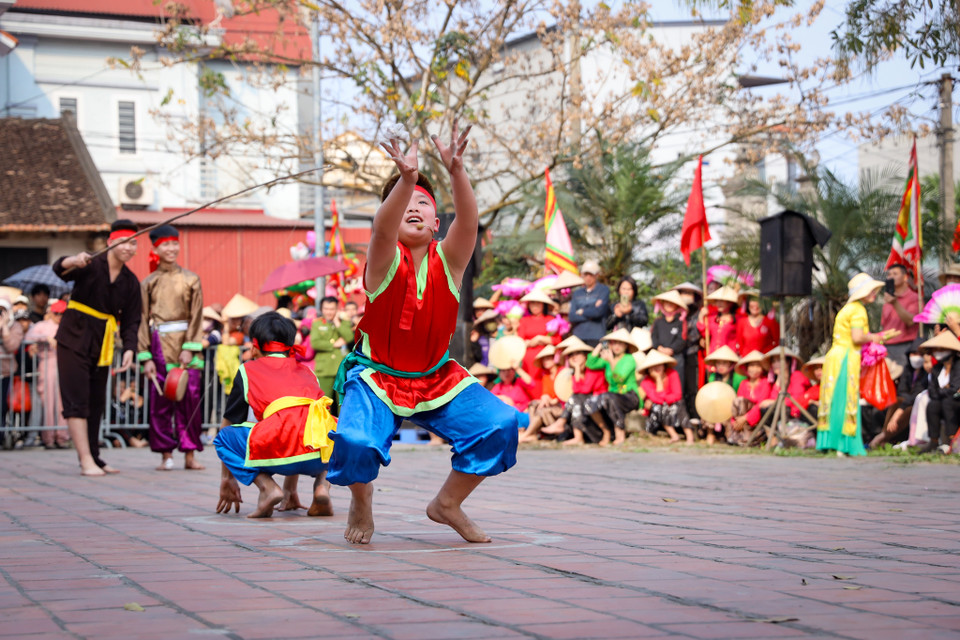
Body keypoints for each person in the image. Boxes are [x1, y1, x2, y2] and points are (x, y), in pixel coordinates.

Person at [327, 122, 519, 545]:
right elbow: (381, 229)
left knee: (500, 424)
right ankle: (361, 496)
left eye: (423, 203)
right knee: (355, 441)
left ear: (436, 222)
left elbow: (468, 221)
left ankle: (447, 504)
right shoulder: (383, 260)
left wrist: (457, 172)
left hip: (436, 377)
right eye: (404, 204)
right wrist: (407, 178)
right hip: (377, 376)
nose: (413, 207)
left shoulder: (449, 261)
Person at [214, 312, 336, 518]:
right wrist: (291, 489)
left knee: (223, 438)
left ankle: (268, 488)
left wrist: (228, 478)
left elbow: (230, 422)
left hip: (277, 450)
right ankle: (322, 486)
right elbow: (300, 421)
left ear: (255, 346)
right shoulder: (307, 371)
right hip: (321, 457)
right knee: (326, 429)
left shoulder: (247, 370)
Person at [53, 219, 142, 476]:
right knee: (77, 399)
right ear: (110, 242)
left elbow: (132, 320)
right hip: (73, 337)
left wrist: (129, 348)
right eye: (123, 242)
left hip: (102, 343)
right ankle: (85, 460)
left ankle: (94, 456)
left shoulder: (131, 281)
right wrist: (74, 260)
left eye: (133, 243)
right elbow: (59, 269)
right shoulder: (90, 263)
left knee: (96, 401)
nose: (128, 247)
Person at [137, 225, 206, 472]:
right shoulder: (148, 282)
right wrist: (145, 357)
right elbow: (142, 319)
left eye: (174, 243)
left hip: (187, 345)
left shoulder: (191, 279)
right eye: (165, 244)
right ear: (155, 249)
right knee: (160, 404)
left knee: (190, 402)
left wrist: (190, 347)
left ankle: (190, 454)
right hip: (159, 346)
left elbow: (197, 316)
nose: (171, 248)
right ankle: (166, 455)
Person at [817, 273, 894, 457]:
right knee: (846, 399)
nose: (874, 293)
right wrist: (876, 337)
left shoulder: (847, 309)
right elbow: (857, 337)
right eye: (871, 290)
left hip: (835, 357)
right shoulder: (858, 310)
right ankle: (844, 444)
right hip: (846, 358)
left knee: (833, 398)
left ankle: (830, 441)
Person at [546, 341, 608, 445]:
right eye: (571, 355)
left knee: (577, 398)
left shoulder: (593, 369)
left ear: (585, 356)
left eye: (578, 353)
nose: (574, 357)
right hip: (586, 404)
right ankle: (576, 436)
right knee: (576, 398)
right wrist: (577, 369)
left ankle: (563, 424)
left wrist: (578, 368)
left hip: (600, 401)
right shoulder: (576, 373)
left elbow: (585, 390)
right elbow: (576, 389)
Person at [25, 300, 68, 448]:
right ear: (51, 313)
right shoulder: (42, 326)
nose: (59, 316)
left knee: (63, 403)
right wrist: (45, 338)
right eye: (57, 313)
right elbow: (28, 337)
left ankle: (62, 436)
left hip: (64, 366)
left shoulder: (68, 326)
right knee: (48, 403)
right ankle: (48, 437)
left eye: (62, 314)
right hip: (47, 365)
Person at [586, 328, 640, 446]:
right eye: (614, 343)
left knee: (609, 398)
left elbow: (619, 378)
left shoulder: (629, 359)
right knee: (590, 402)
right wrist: (601, 345)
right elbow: (590, 363)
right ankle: (606, 431)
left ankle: (620, 433)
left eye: (620, 343)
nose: (617, 346)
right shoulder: (607, 359)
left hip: (629, 396)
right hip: (612, 395)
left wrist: (611, 361)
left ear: (626, 346)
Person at [870, 339, 927, 449]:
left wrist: (900, 409)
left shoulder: (926, 372)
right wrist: (903, 404)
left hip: (915, 403)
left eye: (920, 354)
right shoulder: (908, 369)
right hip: (904, 401)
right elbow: (901, 390)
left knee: (907, 408)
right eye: (914, 354)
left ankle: (883, 437)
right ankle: (884, 434)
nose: (917, 357)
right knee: (896, 401)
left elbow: (918, 392)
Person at [918, 330, 960, 454]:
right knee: (933, 404)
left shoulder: (958, 365)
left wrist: (943, 391)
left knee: (947, 402)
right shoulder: (937, 368)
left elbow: (954, 388)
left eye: (942, 350)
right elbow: (932, 391)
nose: (938, 352)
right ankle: (933, 441)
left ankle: (952, 440)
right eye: (936, 350)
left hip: (956, 401)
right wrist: (945, 389)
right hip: (941, 400)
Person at [639, 350, 692, 444]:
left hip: (674, 406)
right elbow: (656, 400)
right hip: (657, 414)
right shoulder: (646, 382)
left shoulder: (672, 374)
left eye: (659, 364)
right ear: (649, 369)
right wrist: (658, 379)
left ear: (664, 365)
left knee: (679, 404)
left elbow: (677, 395)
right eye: (653, 366)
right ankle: (673, 435)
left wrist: (664, 399)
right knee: (658, 407)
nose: (656, 368)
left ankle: (689, 436)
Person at [310, 296, 354, 401]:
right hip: (325, 369)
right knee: (324, 401)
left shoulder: (344, 322)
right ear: (321, 309)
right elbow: (315, 343)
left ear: (337, 309)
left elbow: (349, 337)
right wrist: (334, 344)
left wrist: (337, 322)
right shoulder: (317, 323)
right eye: (326, 309)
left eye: (332, 309)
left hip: (342, 367)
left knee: (343, 402)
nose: (329, 312)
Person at [519, 345, 564, 443]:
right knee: (533, 404)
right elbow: (545, 392)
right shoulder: (546, 375)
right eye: (544, 359)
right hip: (551, 404)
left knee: (541, 410)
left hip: (561, 406)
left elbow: (564, 393)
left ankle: (527, 434)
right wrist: (544, 399)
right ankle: (533, 433)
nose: (545, 361)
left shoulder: (562, 372)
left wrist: (551, 401)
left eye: (548, 358)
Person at [729, 350, 772, 445]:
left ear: (762, 368)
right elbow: (737, 404)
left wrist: (746, 418)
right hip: (742, 419)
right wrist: (735, 421)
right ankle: (737, 433)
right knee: (738, 401)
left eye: (758, 366)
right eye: (752, 366)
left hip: (757, 419)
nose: (754, 369)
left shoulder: (765, 383)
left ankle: (747, 436)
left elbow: (760, 404)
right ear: (747, 368)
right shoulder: (743, 383)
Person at [701, 345, 743, 445]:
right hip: (716, 407)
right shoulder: (712, 377)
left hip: (732, 408)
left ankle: (729, 434)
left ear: (730, 364)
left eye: (724, 363)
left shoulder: (738, 378)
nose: (721, 366)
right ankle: (710, 433)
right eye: (719, 363)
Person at [650, 289, 689, 392]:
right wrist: (659, 348)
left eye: (672, 302)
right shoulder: (658, 321)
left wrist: (671, 350)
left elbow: (682, 339)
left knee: (677, 386)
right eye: (667, 302)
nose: (669, 304)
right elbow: (654, 337)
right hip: (660, 358)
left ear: (677, 305)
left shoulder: (681, 322)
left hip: (676, 358)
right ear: (662, 303)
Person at [881, 263, 919, 367]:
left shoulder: (914, 297)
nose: (891, 277)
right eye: (889, 274)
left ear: (905, 277)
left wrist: (895, 303)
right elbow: (884, 325)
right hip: (887, 347)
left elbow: (911, 321)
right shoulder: (887, 299)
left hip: (905, 346)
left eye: (895, 274)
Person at [516, 289, 561, 375]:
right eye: (532, 303)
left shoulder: (551, 319)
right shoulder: (524, 320)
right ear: (529, 305)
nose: (535, 306)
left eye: (538, 303)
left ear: (543, 305)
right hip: (528, 358)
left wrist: (540, 338)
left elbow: (557, 340)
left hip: (546, 358)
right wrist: (531, 343)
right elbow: (520, 342)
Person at [568, 260, 610, 347]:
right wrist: (592, 311)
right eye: (585, 274)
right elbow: (572, 316)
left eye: (591, 274)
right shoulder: (577, 293)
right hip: (578, 336)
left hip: (597, 336)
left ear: (597, 275)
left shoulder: (603, 290)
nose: (588, 277)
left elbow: (598, 312)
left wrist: (581, 311)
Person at [0, 297, 24, 432]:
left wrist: (4, 327)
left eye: (3, 310)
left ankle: (2, 436)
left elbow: (12, 346)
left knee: (3, 406)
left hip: (6, 374)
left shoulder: (15, 326)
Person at [700, 285, 738, 355]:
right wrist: (701, 317)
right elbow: (705, 334)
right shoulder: (713, 317)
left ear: (730, 302)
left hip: (729, 355)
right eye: (717, 301)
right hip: (713, 354)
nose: (719, 303)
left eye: (722, 301)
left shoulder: (737, 319)